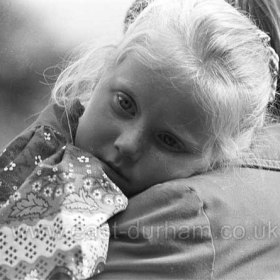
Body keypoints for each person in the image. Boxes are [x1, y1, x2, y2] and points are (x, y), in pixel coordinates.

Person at [0, 0, 280, 279]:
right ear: (100, 74)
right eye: (124, 104)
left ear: (216, 164)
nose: (128, 144)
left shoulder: (183, 220)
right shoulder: (39, 165)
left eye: (168, 141)